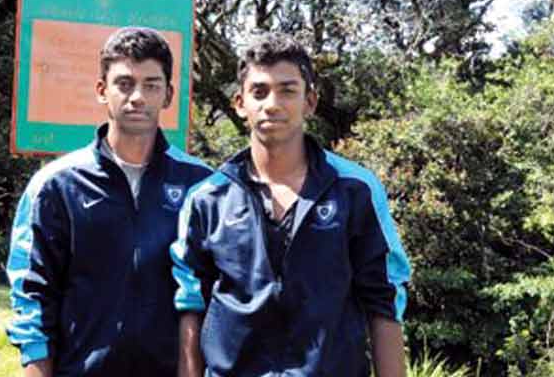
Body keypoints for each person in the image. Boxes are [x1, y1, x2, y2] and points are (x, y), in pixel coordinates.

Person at [171, 33, 411, 376]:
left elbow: (383, 301)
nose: (272, 104)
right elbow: (191, 304)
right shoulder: (207, 199)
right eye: (259, 91)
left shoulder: (355, 190)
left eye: (287, 90)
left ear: (310, 101)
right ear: (240, 103)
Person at [6, 27, 212, 376]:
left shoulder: (201, 186)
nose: (137, 97)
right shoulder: (55, 185)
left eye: (151, 85)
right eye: (124, 84)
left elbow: (208, 297)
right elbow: (33, 298)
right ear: (102, 90)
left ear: (168, 95)